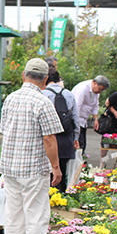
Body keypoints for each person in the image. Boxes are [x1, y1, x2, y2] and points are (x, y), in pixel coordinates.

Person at [0, 58, 63, 234]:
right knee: (36, 213)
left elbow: (5, 132)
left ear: (23, 75)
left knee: (13, 212)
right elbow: (49, 139)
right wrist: (56, 167)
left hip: (10, 166)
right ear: (45, 80)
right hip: (33, 168)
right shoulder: (43, 102)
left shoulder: (10, 99)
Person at [42, 63, 80, 192]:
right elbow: (76, 118)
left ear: (45, 79)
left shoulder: (42, 94)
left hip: (48, 140)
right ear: (58, 80)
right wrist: (76, 138)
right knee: (62, 173)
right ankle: (61, 200)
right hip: (66, 140)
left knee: (47, 175)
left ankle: (50, 201)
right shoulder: (69, 94)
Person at [71, 75, 110, 154]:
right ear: (95, 83)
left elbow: (95, 105)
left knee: (83, 143)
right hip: (76, 118)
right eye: (100, 89)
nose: (100, 91)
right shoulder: (83, 89)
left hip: (83, 120)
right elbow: (77, 107)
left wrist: (95, 119)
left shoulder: (96, 91)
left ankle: (81, 160)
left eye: (102, 90)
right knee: (78, 142)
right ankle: (78, 162)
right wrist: (76, 123)